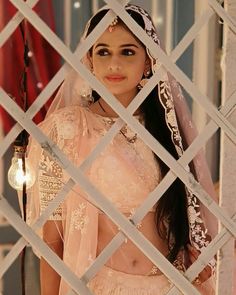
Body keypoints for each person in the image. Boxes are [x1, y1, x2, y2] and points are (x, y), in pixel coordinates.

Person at [26, 4, 218, 295]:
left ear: (148, 62)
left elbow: (184, 217)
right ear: (89, 59)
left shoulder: (166, 132)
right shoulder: (64, 130)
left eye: (127, 52)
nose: (114, 64)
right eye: (103, 52)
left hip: (170, 285)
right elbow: (52, 241)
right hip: (98, 285)